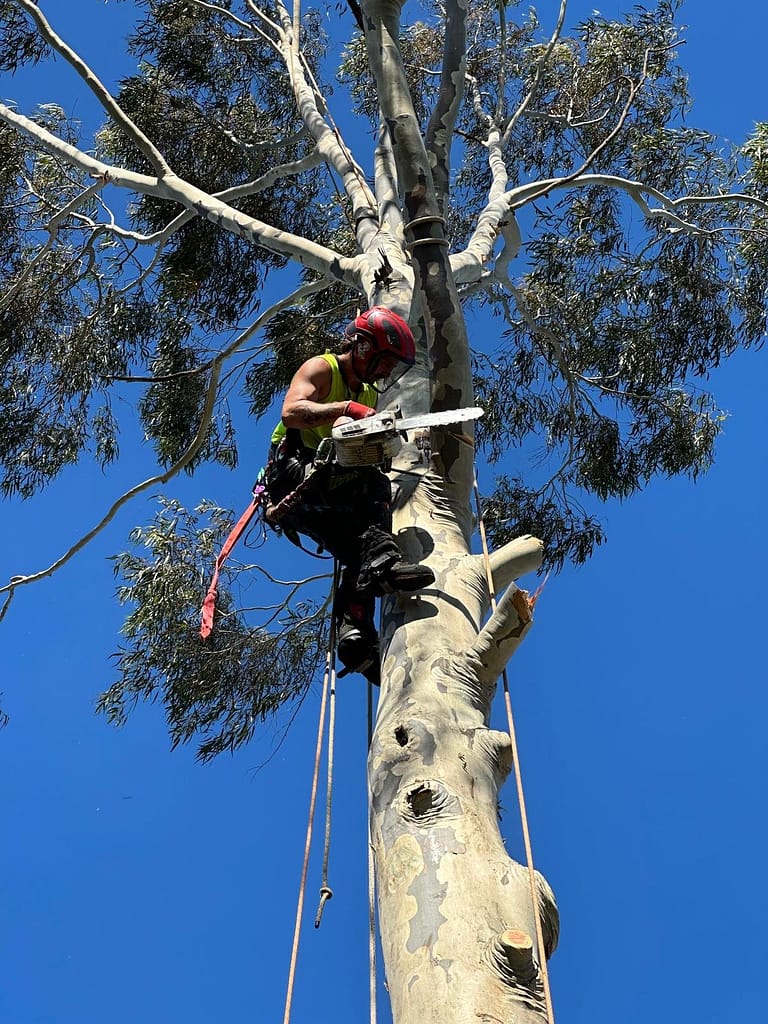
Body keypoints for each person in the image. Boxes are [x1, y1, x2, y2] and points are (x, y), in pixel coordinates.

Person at [263, 306, 435, 684]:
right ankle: (383, 566)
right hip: (291, 475)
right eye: (385, 362)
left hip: (322, 492)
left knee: (361, 549)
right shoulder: (322, 368)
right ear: (363, 347)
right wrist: (346, 409)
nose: (387, 372)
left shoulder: (368, 391)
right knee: (373, 488)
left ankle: (356, 639)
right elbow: (292, 412)